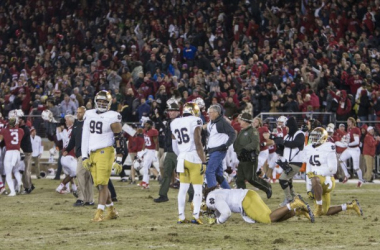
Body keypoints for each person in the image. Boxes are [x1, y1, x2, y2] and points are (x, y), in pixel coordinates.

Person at [81, 90, 123, 222]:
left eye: (104, 102)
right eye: (99, 101)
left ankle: (99, 213)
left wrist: (119, 160)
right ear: (95, 101)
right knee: (99, 185)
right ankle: (111, 211)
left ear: (109, 103)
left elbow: (119, 139)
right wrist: (84, 156)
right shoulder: (89, 114)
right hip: (93, 153)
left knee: (103, 185)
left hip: (106, 151)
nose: (101, 103)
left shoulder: (113, 116)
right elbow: (85, 135)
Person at [304, 127, 363, 217]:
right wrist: (308, 188)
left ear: (323, 137)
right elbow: (308, 168)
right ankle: (350, 205)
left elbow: (333, 169)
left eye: (317, 136)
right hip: (316, 181)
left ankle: (319, 206)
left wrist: (317, 174)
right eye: (313, 136)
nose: (314, 138)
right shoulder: (308, 148)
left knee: (315, 179)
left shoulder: (328, 147)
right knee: (325, 211)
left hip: (327, 179)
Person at [171, 102, 206, 224]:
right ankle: (196, 215)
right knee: (197, 189)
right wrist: (204, 161)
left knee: (183, 189)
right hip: (194, 157)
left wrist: (181, 155)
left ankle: (181, 216)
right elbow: (198, 142)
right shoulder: (195, 120)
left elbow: (174, 145)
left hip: (181, 157)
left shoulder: (174, 122)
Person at [204, 187, 314, 224]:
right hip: (249, 195)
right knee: (273, 218)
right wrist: (216, 217)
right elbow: (220, 208)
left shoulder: (210, 198)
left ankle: (294, 203)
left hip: (245, 199)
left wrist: (218, 222)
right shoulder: (216, 193)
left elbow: (226, 212)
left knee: (268, 219)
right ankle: (297, 211)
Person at [234, 113, 272, 199]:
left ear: (246, 121)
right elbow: (238, 143)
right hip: (242, 157)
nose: (240, 121)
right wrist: (237, 149)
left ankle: (267, 187)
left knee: (251, 178)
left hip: (251, 158)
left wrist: (245, 149)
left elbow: (255, 143)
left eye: (241, 120)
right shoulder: (242, 131)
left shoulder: (253, 131)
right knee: (239, 179)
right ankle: (241, 197)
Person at [64, 106, 94, 206]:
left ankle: (81, 198)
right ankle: (89, 200)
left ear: (85, 113)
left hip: (87, 153)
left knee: (80, 174)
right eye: (77, 112)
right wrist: (67, 149)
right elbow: (73, 138)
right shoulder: (76, 123)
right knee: (86, 176)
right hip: (80, 153)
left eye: (80, 112)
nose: (78, 114)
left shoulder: (89, 123)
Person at [154, 100, 180, 202]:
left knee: (184, 175)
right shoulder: (169, 122)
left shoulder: (180, 121)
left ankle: (192, 195)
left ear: (178, 112)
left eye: (173, 111)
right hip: (169, 151)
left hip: (178, 151)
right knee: (166, 174)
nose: (171, 112)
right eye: (169, 111)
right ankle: (163, 195)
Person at [206, 105, 236, 189]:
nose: (209, 114)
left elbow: (233, 134)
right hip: (213, 151)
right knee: (218, 175)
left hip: (218, 151)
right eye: (209, 112)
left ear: (217, 113)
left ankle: (212, 193)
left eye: (211, 112)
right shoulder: (213, 122)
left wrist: (226, 145)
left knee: (209, 172)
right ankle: (229, 192)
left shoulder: (222, 123)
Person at [277, 116, 305, 206]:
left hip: (296, 162)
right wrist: (277, 143)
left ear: (291, 126)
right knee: (288, 181)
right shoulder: (286, 136)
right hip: (287, 163)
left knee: (282, 179)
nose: (286, 129)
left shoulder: (300, 134)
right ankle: (295, 198)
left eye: (287, 127)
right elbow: (282, 150)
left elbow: (296, 144)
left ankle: (289, 199)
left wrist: (283, 142)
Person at [0, 116, 24, 196]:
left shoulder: (4, 131)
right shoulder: (21, 131)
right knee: (16, 170)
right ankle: (20, 182)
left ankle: (13, 191)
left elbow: (0, 140)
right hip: (17, 152)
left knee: (8, 173)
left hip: (9, 153)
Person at [56, 115, 78, 196]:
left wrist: (60, 131)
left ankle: (73, 188)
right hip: (68, 156)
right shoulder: (72, 130)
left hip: (65, 156)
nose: (65, 122)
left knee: (71, 174)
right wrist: (59, 131)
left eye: (67, 120)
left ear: (71, 121)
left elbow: (64, 139)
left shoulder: (69, 130)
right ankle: (61, 187)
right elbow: (68, 141)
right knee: (76, 172)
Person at [338, 117, 364, 187]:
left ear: (352, 122)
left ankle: (361, 180)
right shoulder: (349, 129)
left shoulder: (356, 129)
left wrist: (347, 144)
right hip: (349, 149)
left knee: (356, 167)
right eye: (347, 121)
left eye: (349, 122)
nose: (348, 123)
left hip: (355, 149)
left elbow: (356, 142)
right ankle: (347, 175)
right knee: (340, 160)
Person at [137, 120, 159, 189]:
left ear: (150, 125)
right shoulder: (144, 131)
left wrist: (156, 152)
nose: (145, 126)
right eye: (145, 124)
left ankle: (145, 182)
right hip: (147, 150)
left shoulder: (153, 131)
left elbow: (156, 142)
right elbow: (144, 141)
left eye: (147, 124)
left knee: (146, 166)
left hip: (151, 150)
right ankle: (145, 183)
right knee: (146, 166)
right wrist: (143, 150)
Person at [19, 116, 34, 194]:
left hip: (26, 152)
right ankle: (30, 185)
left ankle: (27, 188)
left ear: (23, 121)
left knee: (25, 171)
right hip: (26, 151)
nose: (18, 121)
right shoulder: (24, 128)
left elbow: (20, 138)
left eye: (20, 120)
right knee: (26, 170)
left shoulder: (24, 129)